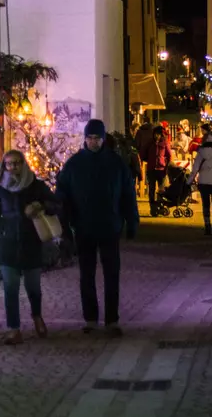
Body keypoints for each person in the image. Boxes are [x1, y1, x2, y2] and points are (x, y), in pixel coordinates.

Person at [57, 119, 139, 336]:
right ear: (85, 139)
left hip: (110, 226)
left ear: (103, 139)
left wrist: (132, 222)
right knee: (87, 274)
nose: (93, 142)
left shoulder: (115, 163)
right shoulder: (74, 164)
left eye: (97, 138)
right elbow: (62, 196)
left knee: (112, 274)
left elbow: (128, 194)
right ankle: (91, 318)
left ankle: (112, 320)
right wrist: (65, 225)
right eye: (90, 138)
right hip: (84, 227)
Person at [0, 149, 59, 344]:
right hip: (7, 244)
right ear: (4, 167)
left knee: (33, 286)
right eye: (9, 164)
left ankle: (36, 316)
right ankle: (14, 329)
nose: (13, 167)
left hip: (30, 242)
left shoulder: (36, 186)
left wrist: (41, 207)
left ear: (23, 164)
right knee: (10, 287)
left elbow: (56, 204)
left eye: (17, 163)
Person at [139, 125, 171, 216]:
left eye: (158, 134)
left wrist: (166, 167)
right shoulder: (149, 143)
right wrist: (148, 160)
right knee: (151, 190)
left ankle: (160, 207)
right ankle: (153, 208)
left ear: (161, 135)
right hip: (151, 169)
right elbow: (143, 153)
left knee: (161, 190)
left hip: (161, 169)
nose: (156, 136)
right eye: (155, 134)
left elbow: (169, 156)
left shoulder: (165, 143)